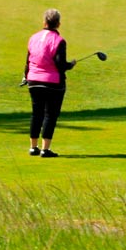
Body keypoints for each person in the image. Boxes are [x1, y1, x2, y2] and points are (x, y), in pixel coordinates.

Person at [23, 8, 75, 158]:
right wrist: (70, 65)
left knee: (37, 113)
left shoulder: (33, 38)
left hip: (33, 81)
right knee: (50, 115)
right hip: (52, 83)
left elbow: (28, 61)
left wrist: (26, 77)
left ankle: (33, 147)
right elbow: (60, 65)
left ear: (44, 22)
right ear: (58, 24)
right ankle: (45, 149)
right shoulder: (59, 41)